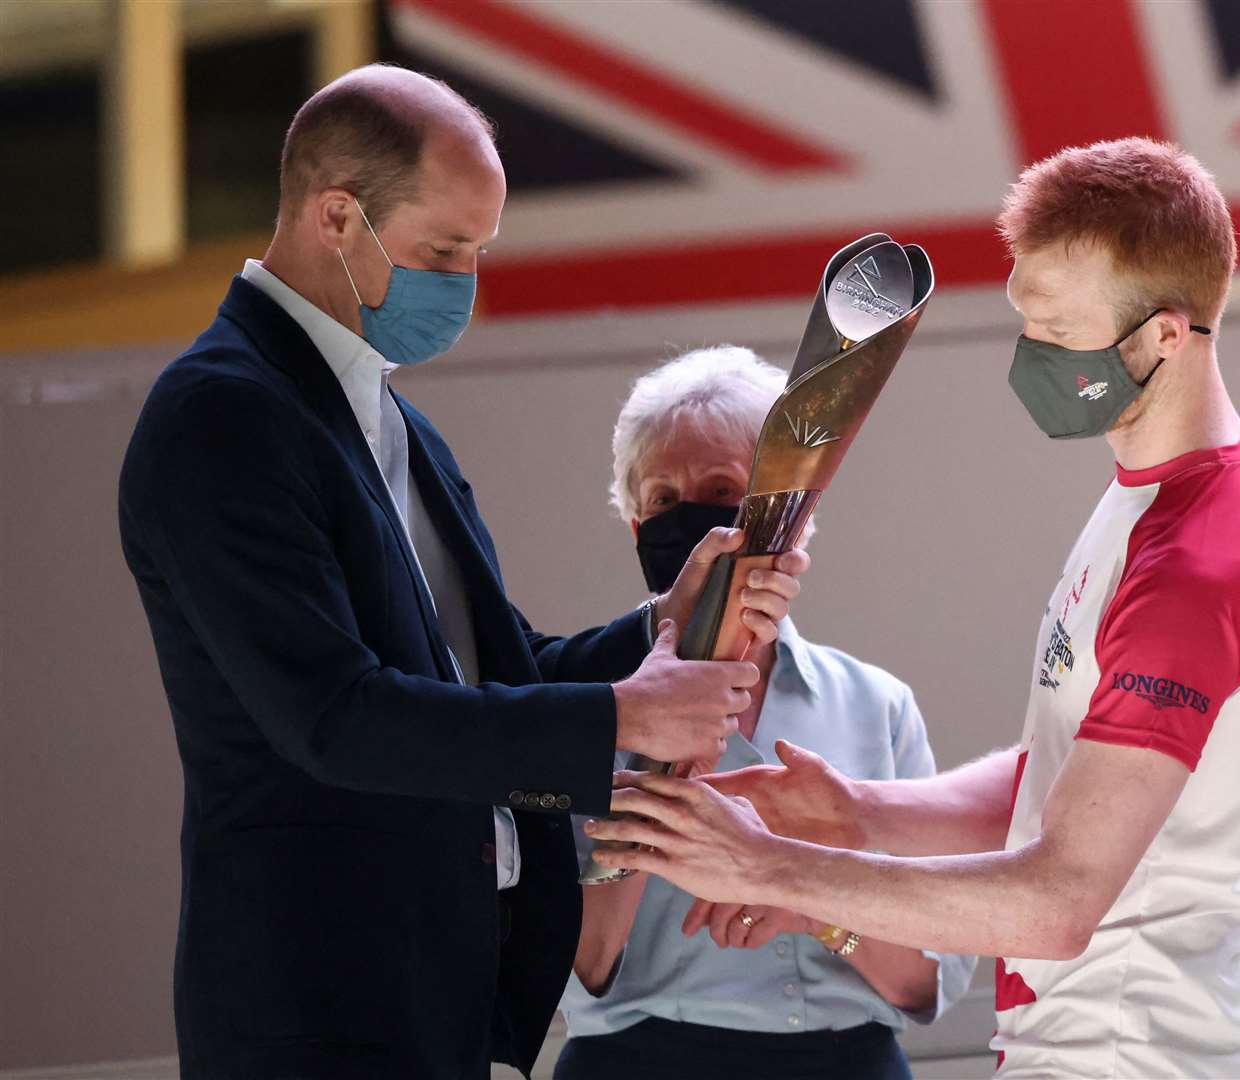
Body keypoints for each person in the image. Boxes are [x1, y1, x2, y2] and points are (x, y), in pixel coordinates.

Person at [117, 65, 806, 1080]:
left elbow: (496, 666)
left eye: (480, 251)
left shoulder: (393, 423)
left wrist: (662, 623)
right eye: (444, 251)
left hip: (438, 995)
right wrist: (624, 715)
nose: (466, 283)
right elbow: (333, 717)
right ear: (336, 217)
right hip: (319, 1005)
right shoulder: (220, 418)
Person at [586, 138, 1240, 1078]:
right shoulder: (1141, 503)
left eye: (1057, 330)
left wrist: (769, 868)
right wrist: (855, 811)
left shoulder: (1196, 562)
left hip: (1133, 1051)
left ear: (1165, 335)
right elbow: (1067, 777)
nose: (1030, 354)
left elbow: (1059, 899)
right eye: (1024, 318)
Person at [555, 347, 977, 1080]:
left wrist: (812, 899)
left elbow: (927, 980)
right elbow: (580, 967)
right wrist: (661, 758)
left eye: (722, 490)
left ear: (793, 515)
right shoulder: (576, 711)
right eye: (661, 500)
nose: (692, 522)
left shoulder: (875, 706)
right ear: (633, 528)